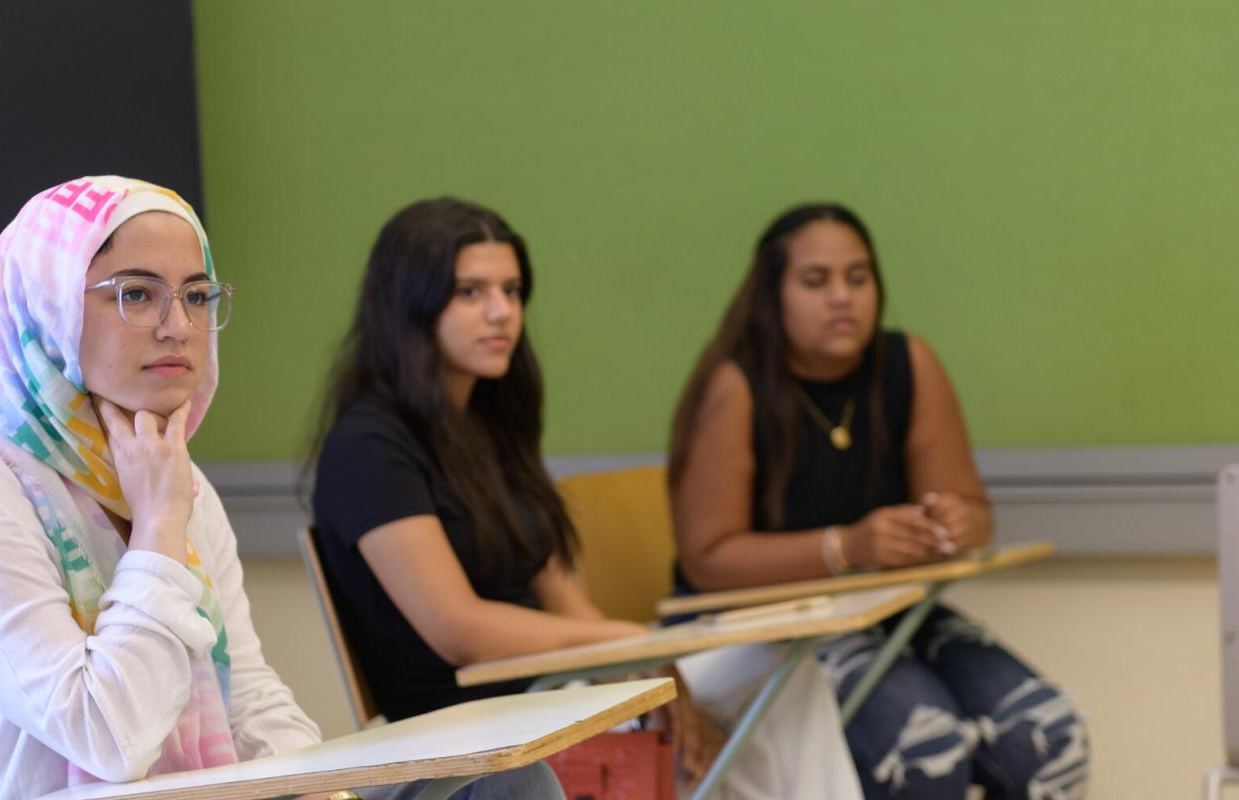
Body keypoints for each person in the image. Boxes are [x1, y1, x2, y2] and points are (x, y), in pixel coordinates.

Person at [0, 176, 529, 800]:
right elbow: (109, 740)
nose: (179, 326)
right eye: (137, 294)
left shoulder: (173, 478)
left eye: (195, 295)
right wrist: (160, 527)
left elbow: (246, 694)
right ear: (47, 308)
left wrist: (324, 793)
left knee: (504, 786)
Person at [309, 196, 862, 799]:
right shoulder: (368, 446)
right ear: (408, 305)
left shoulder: (490, 428)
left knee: (782, 671)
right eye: (471, 293)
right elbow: (456, 627)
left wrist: (650, 669)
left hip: (554, 694)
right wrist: (622, 648)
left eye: (512, 290)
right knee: (708, 727)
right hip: (481, 726)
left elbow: (565, 600)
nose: (502, 313)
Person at [667, 202, 1089, 799]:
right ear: (772, 296)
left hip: (890, 609)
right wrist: (844, 548)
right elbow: (707, 558)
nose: (842, 297)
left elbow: (973, 509)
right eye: (817, 281)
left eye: (858, 278)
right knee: (926, 754)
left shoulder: (909, 363)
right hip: (763, 628)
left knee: (1048, 738)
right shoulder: (736, 386)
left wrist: (954, 523)